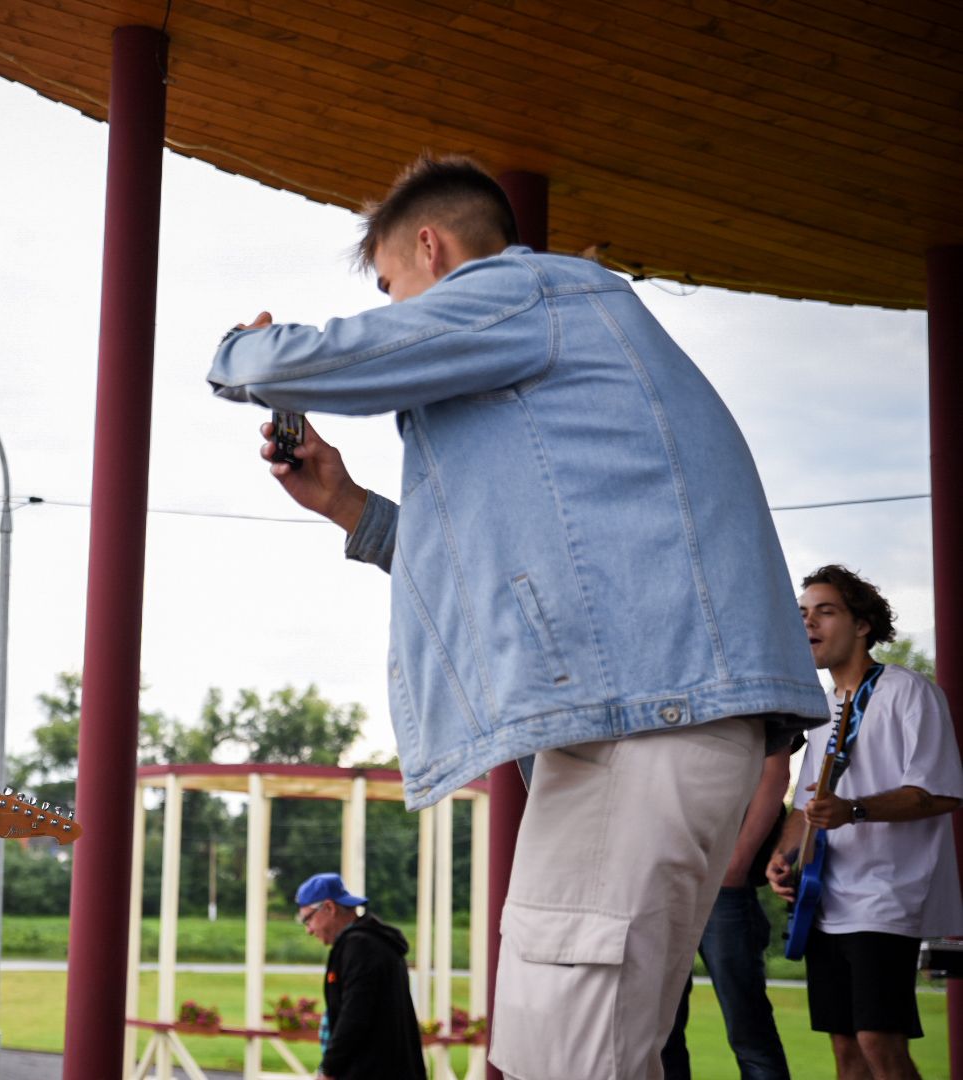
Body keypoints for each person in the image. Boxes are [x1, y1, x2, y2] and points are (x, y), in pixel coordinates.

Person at [207, 155, 828, 1080]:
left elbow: (323, 356)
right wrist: (349, 507)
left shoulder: (524, 291)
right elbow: (492, 559)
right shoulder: (559, 348)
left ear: (432, 246)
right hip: (639, 724)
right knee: (562, 1049)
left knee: (565, 1059)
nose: (392, 313)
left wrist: (243, 353)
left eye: (391, 289)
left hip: (645, 724)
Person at [767, 565, 962, 1080]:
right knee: (846, 1049)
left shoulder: (908, 691)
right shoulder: (821, 708)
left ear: (862, 625)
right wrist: (783, 856)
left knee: (879, 1041)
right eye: (802, 613)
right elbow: (806, 805)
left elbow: (939, 792)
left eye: (825, 611)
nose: (809, 622)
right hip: (825, 897)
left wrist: (855, 810)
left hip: (887, 894)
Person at [660, 748, 793, 1080]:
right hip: (662, 877)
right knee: (659, 1036)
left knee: (749, 1031)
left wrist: (735, 864)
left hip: (723, 882)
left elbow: (775, 772)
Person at [294, 872, 427, 1080]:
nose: (308, 930)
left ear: (329, 908)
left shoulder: (360, 946)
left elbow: (354, 1014)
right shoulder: (375, 942)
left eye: (307, 919)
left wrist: (329, 1069)